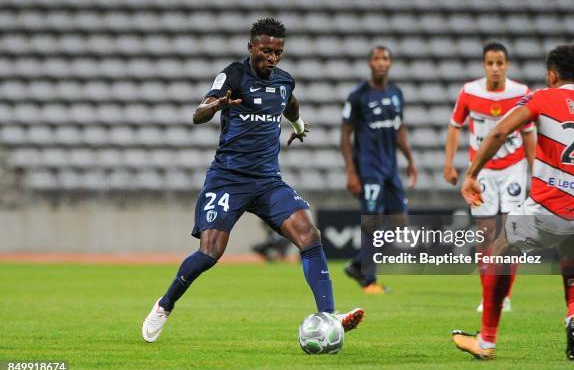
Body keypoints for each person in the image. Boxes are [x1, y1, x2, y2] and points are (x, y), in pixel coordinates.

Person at [142, 18, 364, 342]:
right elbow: (197, 114)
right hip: (227, 180)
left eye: (277, 52)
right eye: (265, 51)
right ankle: (165, 304)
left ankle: (329, 316)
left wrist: (299, 127)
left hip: (267, 181)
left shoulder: (285, 82)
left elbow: (290, 104)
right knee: (209, 253)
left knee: (309, 234)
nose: (271, 58)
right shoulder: (233, 75)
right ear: (251, 47)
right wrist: (215, 105)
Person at [452, 44, 574, 360]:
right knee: (572, 250)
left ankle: (486, 341)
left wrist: (471, 173)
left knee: (500, 250)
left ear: (552, 74)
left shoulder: (542, 97)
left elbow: (499, 133)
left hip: (548, 208)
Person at [443, 42, 536, 311]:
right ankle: (487, 294)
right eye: (490, 63)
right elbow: (454, 126)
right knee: (485, 232)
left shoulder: (521, 93)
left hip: (513, 169)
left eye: (500, 63)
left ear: (507, 65)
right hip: (482, 170)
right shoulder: (469, 92)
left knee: (512, 230)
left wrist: (534, 170)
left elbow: (529, 132)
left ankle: (503, 294)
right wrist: (448, 164)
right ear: (484, 65)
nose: (495, 68)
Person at [340, 46, 417, 294]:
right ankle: (368, 280)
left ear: (390, 63)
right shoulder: (358, 95)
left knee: (400, 222)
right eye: (376, 58)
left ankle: (357, 264)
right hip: (369, 168)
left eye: (385, 58)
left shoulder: (397, 93)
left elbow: (399, 128)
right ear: (370, 63)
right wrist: (351, 172)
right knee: (371, 224)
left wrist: (410, 159)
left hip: (391, 168)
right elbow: (345, 134)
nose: (381, 62)